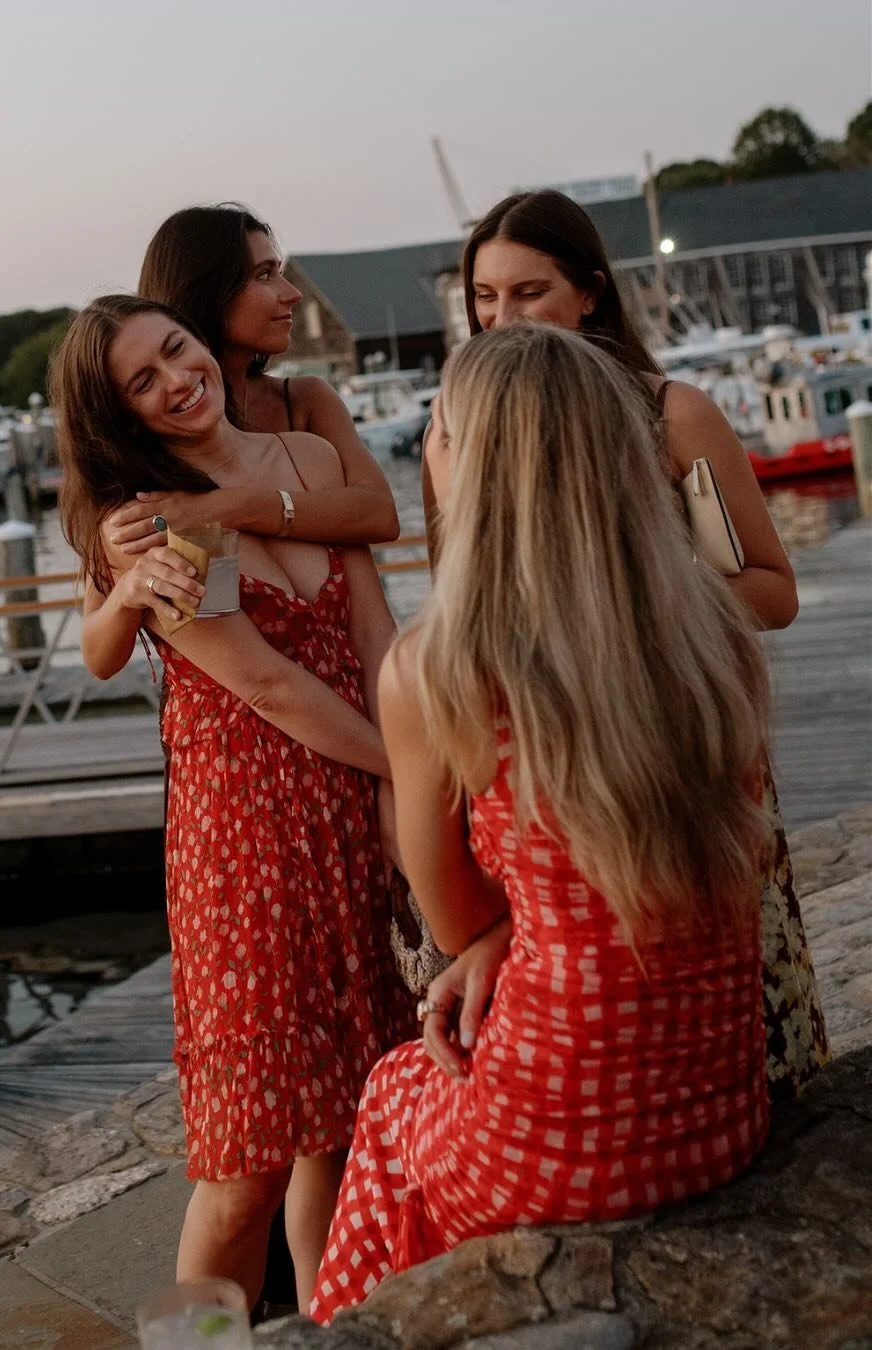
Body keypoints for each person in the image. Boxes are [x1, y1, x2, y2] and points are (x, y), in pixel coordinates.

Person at [312, 322, 774, 1320]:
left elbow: (451, 918)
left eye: (438, 429)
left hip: (562, 1134)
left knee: (392, 1094)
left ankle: (361, 1332)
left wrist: (494, 942)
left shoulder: (438, 670)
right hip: (722, 1110)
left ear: (469, 464)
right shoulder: (712, 633)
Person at [421, 190, 828, 1104]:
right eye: (484, 298)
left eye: (528, 292)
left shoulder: (671, 414)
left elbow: (774, 590)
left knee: (748, 1017)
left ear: (591, 293)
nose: (502, 318)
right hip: (546, 771)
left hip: (683, 744)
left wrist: (631, 610)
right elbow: (459, 617)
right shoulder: (460, 432)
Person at [52, 295, 414, 1313]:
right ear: (120, 414)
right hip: (252, 840)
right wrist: (404, 769)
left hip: (359, 799)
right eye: (144, 381)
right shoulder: (165, 524)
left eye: (177, 350)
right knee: (246, 1161)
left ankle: (332, 1328)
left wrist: (412, 765)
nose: (178, 380)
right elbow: (264, 683)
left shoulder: (306, 460)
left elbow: (374, 628)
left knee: (346, 1122)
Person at [85, 203, 399, 638]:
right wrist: (126, 594)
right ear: (210, 292)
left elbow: (379, 514)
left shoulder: (304, 402)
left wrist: (222, 507)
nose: (292, 293)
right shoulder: (146, 457)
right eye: (265, 275)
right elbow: (97, 638)